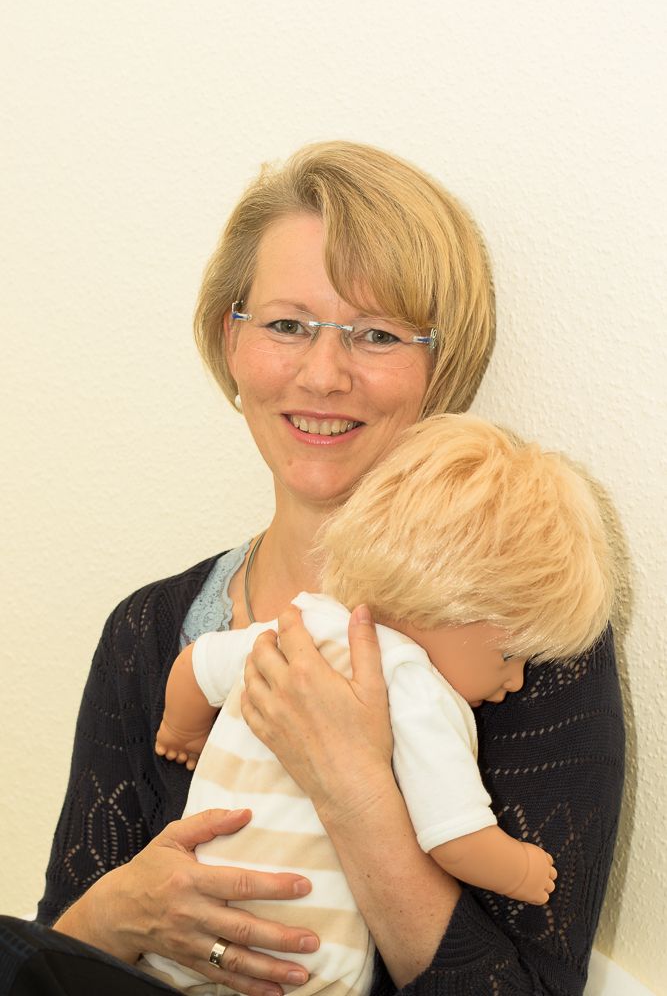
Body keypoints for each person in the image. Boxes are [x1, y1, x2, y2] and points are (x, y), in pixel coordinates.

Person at [0, 141, 624, 996]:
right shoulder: (147, 634)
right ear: (232, 341)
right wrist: (123, 910)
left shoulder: (521, 636)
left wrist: (355, 794)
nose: (323, 374)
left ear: (441, 368)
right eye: (287, 325)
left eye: (378, 335)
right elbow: (46, 962)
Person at [142, 413, 613, 994]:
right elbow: (453, 837)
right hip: (303, 964)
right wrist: (519, 868)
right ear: (448, 605)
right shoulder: (419, 690)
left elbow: (197, 666)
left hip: (185, 940)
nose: (515, 680)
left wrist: (182, 731)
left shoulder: (300, 624)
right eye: (510, 655)